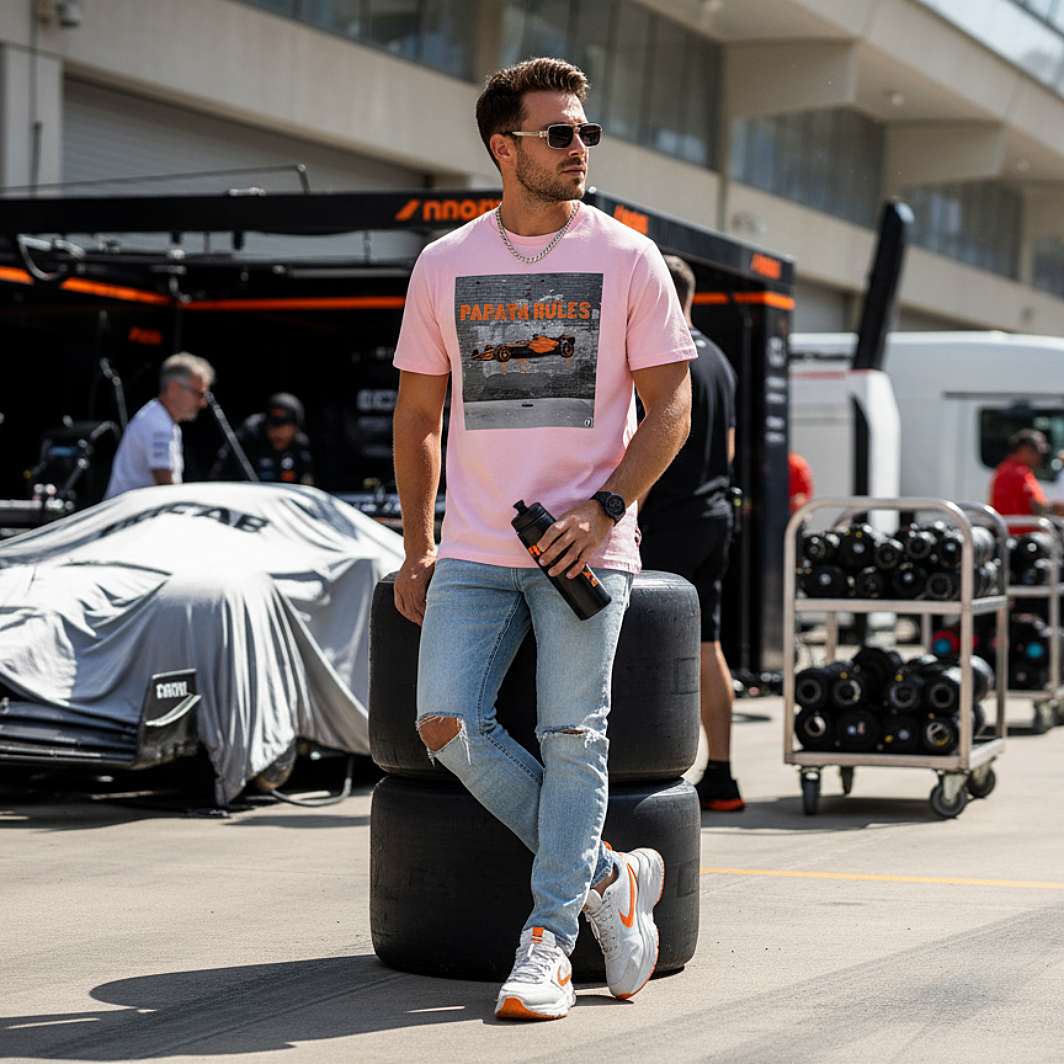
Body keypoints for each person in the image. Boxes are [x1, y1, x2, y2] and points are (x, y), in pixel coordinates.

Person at [391, 57, 693, 1021]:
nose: (578, 149)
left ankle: (550, 940)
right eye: (558, 133)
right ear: (503, 147)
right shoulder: (444, 265)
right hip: (477, 548)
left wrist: (603, 509)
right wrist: (416, 544)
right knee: (444, 725)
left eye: (585, 133)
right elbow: (419, 418)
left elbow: (671, 409)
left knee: (573, 736)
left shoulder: (628, 257)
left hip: (587, 551)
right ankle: (609, 877)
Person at [637, 255, 742, 814]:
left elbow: (649, 450)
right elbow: (725, 449)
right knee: (708, 646)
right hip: (714, 518)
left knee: (639, 649)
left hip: (668, 521)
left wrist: (622, 518)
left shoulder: (663, 356)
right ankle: (722, 776)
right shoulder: (720, 360)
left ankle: (644, 769)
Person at [103, 352, 215, 500]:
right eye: (198, 394)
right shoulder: (158, 426)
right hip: (130, 518)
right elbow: (166, 490)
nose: (203, 403)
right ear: (174, 388)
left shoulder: (160, 419)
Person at [209, 392, 314, 485]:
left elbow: (307, 482)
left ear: (295, 428)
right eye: (273, 427)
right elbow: (220, 471)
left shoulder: (301, 446)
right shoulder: (249, 438)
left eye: (283, 428)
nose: (278, 434)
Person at [989, 428, 1064, 522]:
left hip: (1026, 526)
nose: (1039, 457)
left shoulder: (1018, 470)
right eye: (1038, 452)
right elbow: (1036, 507)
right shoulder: (1014, 473)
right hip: (1021, 530)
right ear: (1024, 449)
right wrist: (1055, 508)